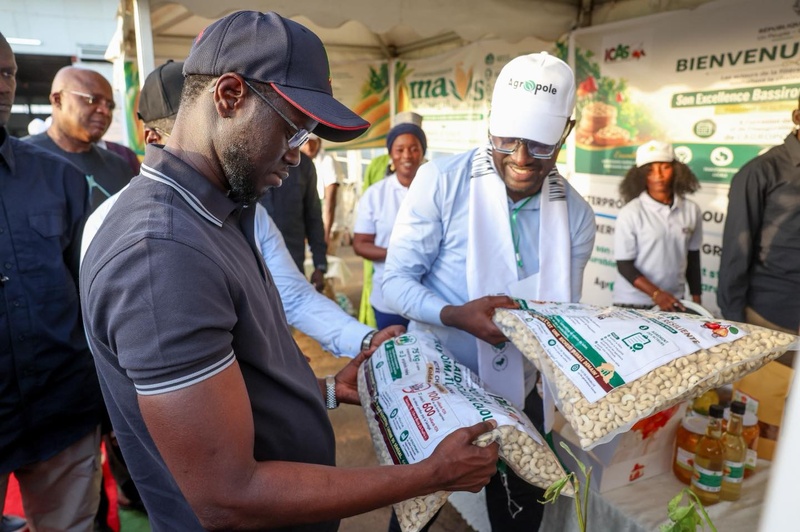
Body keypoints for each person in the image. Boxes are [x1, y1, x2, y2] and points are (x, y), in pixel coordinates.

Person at [80, 11, 499, 530]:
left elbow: (244, 360)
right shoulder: (160, 256)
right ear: (229, 95)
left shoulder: (222, 208)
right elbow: (230, 497)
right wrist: (430, 474)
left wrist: (319, 391)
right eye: (294, 127)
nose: (301, 154)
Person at [382, 52, 596, 531]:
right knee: (416, 512)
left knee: (521, 514)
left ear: (567, 131)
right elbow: (392, 283)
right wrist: (455, 315)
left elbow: (565, 314)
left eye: (541, 145)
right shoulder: (443, 182)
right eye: (507, 140)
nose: (521, 159)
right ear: (489, 126)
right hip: (437, 389)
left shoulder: (576, 217)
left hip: (520, 397)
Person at [83, 58, 391, 359]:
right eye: (185, 135)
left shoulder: (247, 212)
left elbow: (293, 296)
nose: (293, 156)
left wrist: (363, 341)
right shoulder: (135, 236)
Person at [0, 32, 104, 531]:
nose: (2, 86)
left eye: (7, 73)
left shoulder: (59, 177)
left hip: (63, 406)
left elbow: (89, 288)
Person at [719, 105, 800, 351]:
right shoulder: (761, 171)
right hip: (772, 320)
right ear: (797, 117)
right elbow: (737, 249)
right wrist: (735, 323)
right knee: (765, 390)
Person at [24, 66, 134, 209]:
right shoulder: (20, 161)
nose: (105, 111)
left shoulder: (119, 167)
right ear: (58, 100)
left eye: (110, 105)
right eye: (92, 100)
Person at [613, 140, 702, 311]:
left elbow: (692, 257)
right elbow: (624, 265)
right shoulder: (631, 212)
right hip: (633, 302)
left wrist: (697, 301)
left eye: (665, 167)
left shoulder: (691, 210)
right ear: (639, 175)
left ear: (677, 170)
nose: (658, 175)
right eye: (650, 170)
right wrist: (657, 294)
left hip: (674, 300)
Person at [353, 123, 427, 329]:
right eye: (400, 149)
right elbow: (360, 244)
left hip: (431, 295)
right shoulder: (376, 195)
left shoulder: (435, 190)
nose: (407, 155)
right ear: (390, 154)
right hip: (388, 297)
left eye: (414, 149)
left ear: (422, 153)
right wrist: (397, 254)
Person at [259, 151, 328, 291]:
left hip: (293, 262)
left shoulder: (303, 165)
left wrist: (319, 265)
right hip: (253, 266)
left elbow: (313, 217)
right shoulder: (248, 159)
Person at [302, 133, 345, 252]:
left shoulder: (327, 161)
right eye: (305, 143)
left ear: (319, 143)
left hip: (329, 228)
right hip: (316, 228)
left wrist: (325, 233)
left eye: (312, 143)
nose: (308, 147)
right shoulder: (308, 163)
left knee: (327, 265)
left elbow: (330, 201)